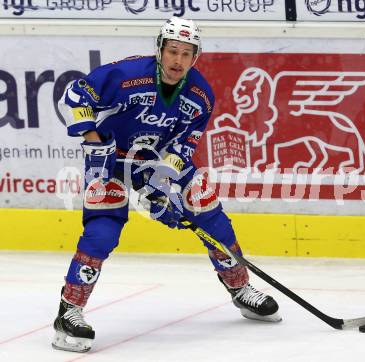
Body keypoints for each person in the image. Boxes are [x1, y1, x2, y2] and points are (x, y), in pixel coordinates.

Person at [53, 16, 281, 353]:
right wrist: (92, 138)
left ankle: (241, 289)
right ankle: (68, 311)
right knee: (102, 231)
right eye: (172, 51)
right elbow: (72, 96)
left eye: (186, 54)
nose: (178, 60)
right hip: (111, 160)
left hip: (157, 161)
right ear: (160, 50)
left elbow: (183, 147)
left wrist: (158, 188)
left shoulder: (200, 95)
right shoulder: (126, 75)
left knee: (206, 207)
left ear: (195, 57)